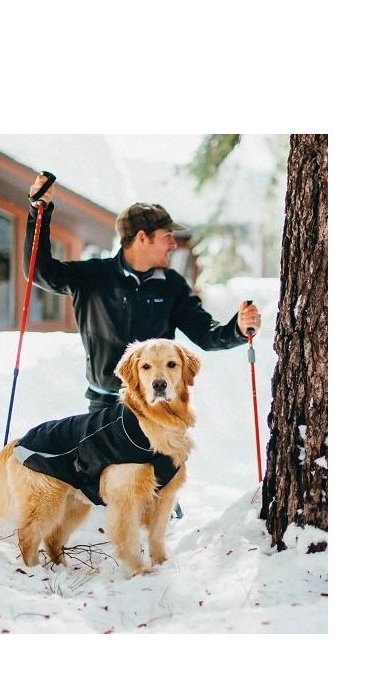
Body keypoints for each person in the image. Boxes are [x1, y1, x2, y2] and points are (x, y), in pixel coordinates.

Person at [23, 174, 262, 518]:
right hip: (104, 407)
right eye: (167, 237)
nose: (174, 244)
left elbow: (206, 335)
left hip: (157, 411)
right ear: (141, 238)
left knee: (155, 502)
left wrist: (238, 328)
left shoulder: (172, 286)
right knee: (105, 500)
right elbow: (39, 271)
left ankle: (162, 523)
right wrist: (39, 211)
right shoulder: (92, 277)